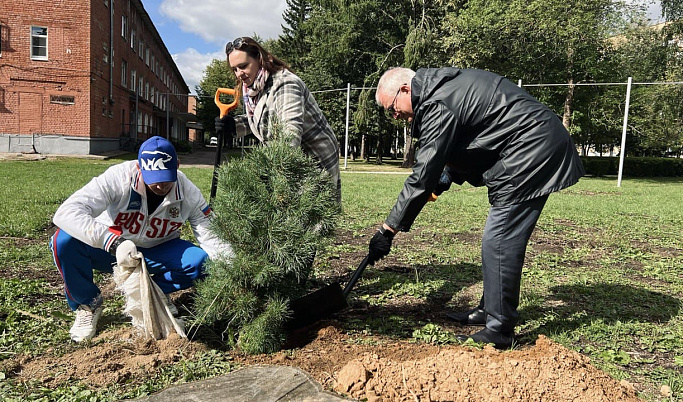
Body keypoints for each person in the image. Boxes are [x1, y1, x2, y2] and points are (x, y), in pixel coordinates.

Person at [369, 67, 585, 349]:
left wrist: (388, 229)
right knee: (498, 239)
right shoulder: (441, 91)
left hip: (531, 150)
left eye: (392, 108)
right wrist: (447, 175)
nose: (394, 116)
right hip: (528, 145)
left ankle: (499, 330)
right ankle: (490, 310)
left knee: (499, 241)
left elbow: (422, 175)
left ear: (406, 90)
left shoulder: (438, 102)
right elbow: (472, 138)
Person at [50, 136, 233, 342]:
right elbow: (66, 212)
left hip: (158, 249)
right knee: (64, 240)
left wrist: (235, 270)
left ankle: (156, 292)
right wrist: (111, 241)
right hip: (113, 250)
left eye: (166, 176)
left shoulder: (188, 191)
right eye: (153, 177)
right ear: (139, 167)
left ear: (178, 165)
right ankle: (87, 304)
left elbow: (211, 234)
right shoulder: (118, 178)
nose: (160, 185)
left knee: (200, 262)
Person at [215, 36, 341, 202]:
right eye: (235, 69)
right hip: (287, 160)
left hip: (314, 160)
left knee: (310, 218)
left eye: (243, 66)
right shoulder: (254, 90)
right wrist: (233, 125)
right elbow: (263, 118)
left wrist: (267, 170)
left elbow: (290, 132)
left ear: (259, 59)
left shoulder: (285, 84)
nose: (239, 74)